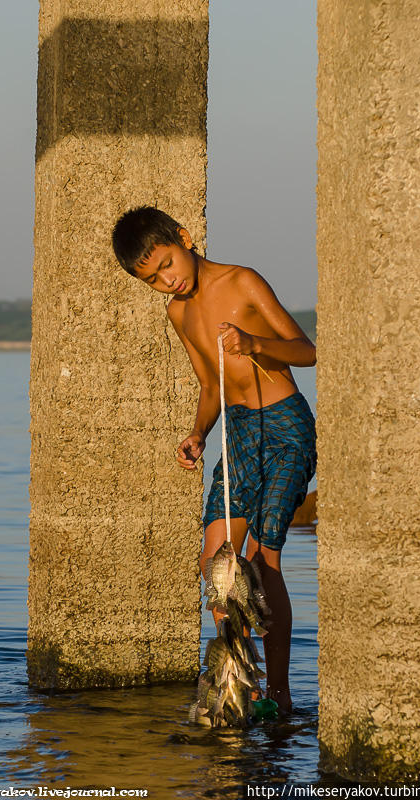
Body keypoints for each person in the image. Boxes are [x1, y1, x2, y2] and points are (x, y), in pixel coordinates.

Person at [112, 206, 317, 714]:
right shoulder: (178, 312)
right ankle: (237, 679)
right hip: (241, 431)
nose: (167, 281)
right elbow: (210, 386)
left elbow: (307, 351)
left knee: (264, 556)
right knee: (217, 559)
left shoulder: (242, 281)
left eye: (166, 264)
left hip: (286, 426)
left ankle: (281, 692)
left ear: (184, 238)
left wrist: (253, 344)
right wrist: (198, 432)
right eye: (153, 279)